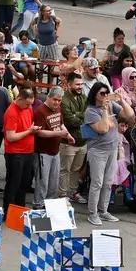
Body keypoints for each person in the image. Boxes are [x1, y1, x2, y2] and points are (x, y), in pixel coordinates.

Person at [81, 81, 133, 224]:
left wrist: (121, 100)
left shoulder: (111, 105)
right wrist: (104, 110)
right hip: (98, 151)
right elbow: (103, 129)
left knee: (108, 182)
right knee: (97, 182)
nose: (105, 96)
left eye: (106, 93)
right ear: (95, 95)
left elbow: (129, 115)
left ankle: (103, 211)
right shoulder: (91, 111)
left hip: (112, 149)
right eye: (102, 94)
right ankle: (93, 213)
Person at [31, 86, 73, 204]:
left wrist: (68, 135)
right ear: (48, 97)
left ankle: (49, 204)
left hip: (55, 151)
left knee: (53, 181)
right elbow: (40, 132)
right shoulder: (40, 111)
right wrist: (59, 133)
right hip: (43, 152)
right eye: (55, 99)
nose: (57, 103)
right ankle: (38, 204)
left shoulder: (58, 109)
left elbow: (61, 124)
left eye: (59, 101)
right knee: (42, 181)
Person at [2, 85, 39, 210]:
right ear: (20, 99)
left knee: (24, 184)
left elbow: (29, 124)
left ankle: (20, 210)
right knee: (13, 184)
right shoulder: (11, 112)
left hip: (28, 151)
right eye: (27, 104)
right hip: (15, 153)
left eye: (31, 104)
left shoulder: (28, 108)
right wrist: (29, 131)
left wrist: (32, 129)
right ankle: (8, 211)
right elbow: (11, 137)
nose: (29, 107)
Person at [59, 73, 90, 201]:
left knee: (76, 169)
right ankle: (63, 195)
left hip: (82, 141)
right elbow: (69, 121)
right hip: (68, 142)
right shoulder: (64, 100)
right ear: (69, 84)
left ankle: (73, 192)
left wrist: (78, 115)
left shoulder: (83, 97)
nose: (80, 87)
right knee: (65, 169)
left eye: (81, 84)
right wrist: (81, 116)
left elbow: (88, 114)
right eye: (77, 84)